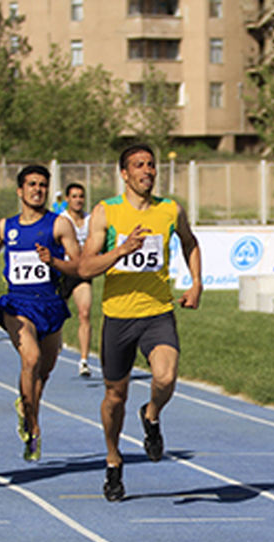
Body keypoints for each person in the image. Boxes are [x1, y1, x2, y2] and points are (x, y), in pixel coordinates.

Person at [78, 143, 202, 502]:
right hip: (118, 317)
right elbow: (86, 268)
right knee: (115, 397)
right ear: (124, 173)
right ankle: (114, 460)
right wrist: (120, 251)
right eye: (139, 166)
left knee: (165, 376)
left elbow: (189, 242)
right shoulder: (106, 212)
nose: (147, 171)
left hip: (157, 311)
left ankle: (151, 414)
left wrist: (196, 283)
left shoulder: (169, 210)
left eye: (151, 165)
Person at [0, 165, 82, 462]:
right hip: (18, 304)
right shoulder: (6, 226)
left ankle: (26, 406)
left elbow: (80, 265)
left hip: (50, 303)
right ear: (20, 191)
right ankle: (33, 427)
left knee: (43, 373)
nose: (37, 190)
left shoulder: (59, 225)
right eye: (31, 184)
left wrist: (55, 263)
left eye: (42, 185)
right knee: (31, 358)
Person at [57, 182, 95, 377]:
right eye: (74, 196)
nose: (78, 200)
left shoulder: (90, 220)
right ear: (67, 200)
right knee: (58, 313)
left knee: (85, 313)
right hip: (63, 271)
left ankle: (84, 360)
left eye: (81, 196)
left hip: (81, 273)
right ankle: (56, 341)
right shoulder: (61, 220)